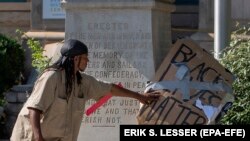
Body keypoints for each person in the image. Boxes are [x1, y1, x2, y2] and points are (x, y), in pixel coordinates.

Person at [10, 39, 160, 141]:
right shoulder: (51, 77)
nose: (87, 61)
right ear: (75, 59)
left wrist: (139, 96)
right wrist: (39, 139)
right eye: (85, 58)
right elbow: (34, 109)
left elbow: (111, 89)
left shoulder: (82, 81)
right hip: (31, 138)